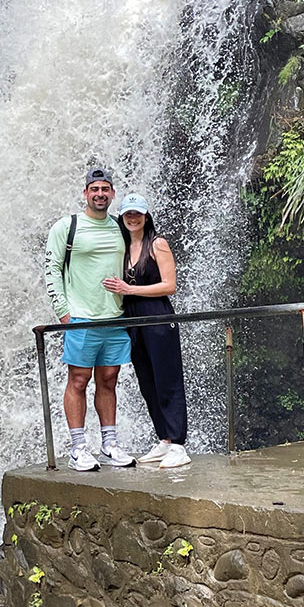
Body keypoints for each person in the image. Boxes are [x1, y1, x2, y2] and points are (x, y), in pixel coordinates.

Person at [45, 168, 136, 472]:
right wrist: (64, 312)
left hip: (114, 317)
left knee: (109, 380)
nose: (100, 194)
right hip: (81, 319)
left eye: (105, 189)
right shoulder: (67, 227)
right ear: (85, 193)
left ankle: (109, 444)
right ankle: (78, 448)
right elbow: (52, 269)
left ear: (112, 194)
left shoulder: (119, 228)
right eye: (94, 189)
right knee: (79, 380)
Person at [103, 192, 190, 468]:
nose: (132, 218)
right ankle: (163, 439)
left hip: (158, 317)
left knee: (168, 378)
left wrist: (131, 289)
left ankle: (178, 444)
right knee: (147, 380)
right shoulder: (122, 246)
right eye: (128, 214)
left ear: (146, 216)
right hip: (133, 321)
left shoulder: (158, 244)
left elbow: (170, 285)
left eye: (137, 214)